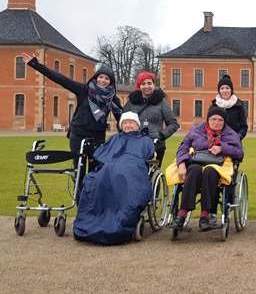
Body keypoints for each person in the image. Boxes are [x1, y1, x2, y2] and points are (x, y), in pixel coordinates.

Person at [21, 52, 122, 201]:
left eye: (107, 78)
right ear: (95, 78)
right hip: (78, 134)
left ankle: (93, 203)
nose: (103, 80)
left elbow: (122, 119)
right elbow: (60, 78)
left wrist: (128, 136)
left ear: (111, 82)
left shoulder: (113, 98)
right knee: (79, 170)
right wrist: (35, 64)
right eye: (101, 77)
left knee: (96, 171)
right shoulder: (84, 90)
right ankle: (80, 205)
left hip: (98, 137)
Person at [73, 111, 155, 245]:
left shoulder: (145, 140)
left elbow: (148, 155)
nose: (128, 125)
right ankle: (92, 222)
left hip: (132, 169)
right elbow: (101, 154)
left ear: (137, 125)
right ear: (121, 125)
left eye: (131, 122)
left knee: (121, 176)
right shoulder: (114, 138)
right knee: (93, 179)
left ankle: (120, 224)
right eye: (125, 123)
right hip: (109, 168)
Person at [170, 107, 244, 231]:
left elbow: (239, 153)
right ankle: (181, 214)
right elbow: (183, 147)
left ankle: (205, 215)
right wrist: (182, 164)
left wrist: (222, 148)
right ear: (208, 119)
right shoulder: (196, 130)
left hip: (218, 165)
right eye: (213, 119)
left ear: (224, 121)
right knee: (194, 170)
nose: (216, 122)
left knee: (209, 171)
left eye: (220, 120)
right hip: (196, 161)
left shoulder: (231, 134)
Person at [124, 72, 179, 166]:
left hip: (156, 145)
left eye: (149, 83)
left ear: (154, 85)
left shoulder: (162, 102)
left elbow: (173, 124)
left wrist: (161, 136)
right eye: (143, 84)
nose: (146, 86)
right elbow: (122, 122)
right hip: (135, 145)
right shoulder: (131, 103)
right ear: (139, 86)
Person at [209, 74, 248, 140]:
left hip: (234, 142)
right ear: (219, 91)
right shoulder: (214, 106)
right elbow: (208, 125)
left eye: (227, 88)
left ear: (231, 90)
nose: (225, 91)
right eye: (222, 88)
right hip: (217, 142)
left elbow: (244, 127)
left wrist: (238, 137)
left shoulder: (238, 105)